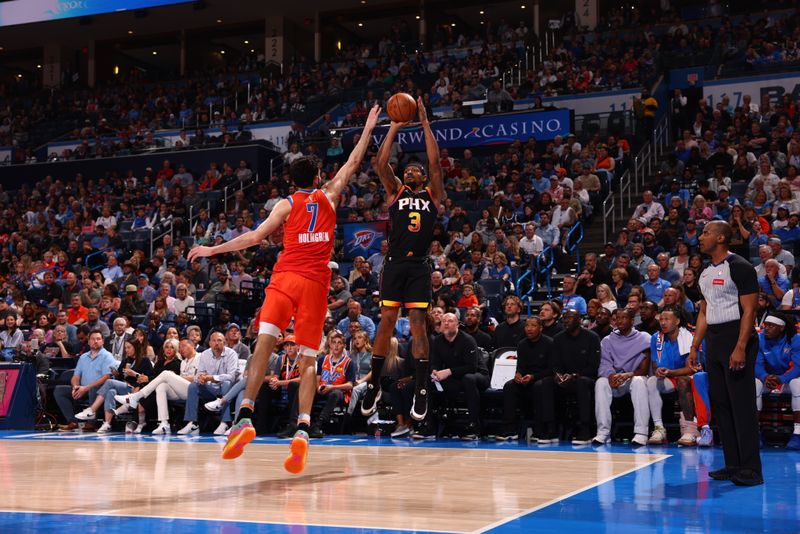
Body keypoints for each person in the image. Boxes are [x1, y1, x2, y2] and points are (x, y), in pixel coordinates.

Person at [187, 106, 380, 472]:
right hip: (316, 284)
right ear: (320, 176)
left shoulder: (286, 204)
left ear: (292, 180)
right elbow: (353, 162)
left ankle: (245, 415)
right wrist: (369, 126)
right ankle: (303, 429)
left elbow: (254, 237)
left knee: (264, 342)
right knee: (308, 359)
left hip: (286, 277)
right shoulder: (330, 195)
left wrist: (212, 249)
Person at [361, 98, 445, 426]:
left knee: (418, 322)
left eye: (416, 170)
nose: (412, 170)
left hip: (419, 265)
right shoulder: (396, 190)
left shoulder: (432, 195)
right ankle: (374, 382)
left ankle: (422, 388)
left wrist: (424, 123)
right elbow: (381, 164)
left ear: (423, 177)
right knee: (385, 320)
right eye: (408, 169)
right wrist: (394, 126)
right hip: (394, 263)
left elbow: (436, 163)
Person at [690, 220, 762, 486]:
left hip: (736, 336)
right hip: (715, 340)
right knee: (721, 404)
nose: (700, 237)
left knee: (742, 405)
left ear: (721, 238)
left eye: (706, 233)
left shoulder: (741, 267)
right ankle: (732, 464)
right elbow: (704, 312)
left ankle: (752, 469)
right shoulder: (705, 273)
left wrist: (741, 347)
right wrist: (696, 346)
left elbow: (750, 311)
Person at [594, 308, 651, 446]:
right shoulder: (607, 340)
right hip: (616, 380)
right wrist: (611, 376)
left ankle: (641, 433)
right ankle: (603, 432)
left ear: (632, 321)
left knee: (638, 382)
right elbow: (604, 363)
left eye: (623, 318)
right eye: (616, 318)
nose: (619, 321)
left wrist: (628, 375)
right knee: (601, 382)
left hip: (634, 377)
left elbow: (644, 369)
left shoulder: (644, 338)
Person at [429, 313, 489, 440]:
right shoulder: (438, 341)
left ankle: (474, 425)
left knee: (468, 378)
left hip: (478, 376)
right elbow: (435, 362)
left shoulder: (467, 340)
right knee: (428, 382)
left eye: (450, 321)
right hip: (457, 377)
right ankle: (429, 426)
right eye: (443, 321)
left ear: (457, 324)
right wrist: (434, 371)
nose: (446, 323)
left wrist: (448, 371)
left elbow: (471, 367)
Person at [646, 307, 699, 446]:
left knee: (682, 381)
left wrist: (671, 372)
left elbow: (691, 369)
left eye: (667, 319)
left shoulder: (689, 337)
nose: (663, 323)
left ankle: (689, 429)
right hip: (670, 377)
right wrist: (658, 371)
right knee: (651, 380)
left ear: (677, 321)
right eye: (661, 319)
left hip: (690, 377)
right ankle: (659, 428)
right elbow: (655, 365)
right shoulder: (656, 338)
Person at [498, 317, 555, 441]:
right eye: (527, 326)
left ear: (541, 328)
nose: (529, 329)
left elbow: (552, 369)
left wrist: (533, 377)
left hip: (545, 378)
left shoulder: (550, 343)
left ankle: (541, 430)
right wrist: (518, 374)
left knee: (539, 385)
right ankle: (510, 429)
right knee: (509, 386)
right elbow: (521, 367)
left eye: (533, 326)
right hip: (527, 379)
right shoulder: (522, 344)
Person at [548, 309, 600, 444]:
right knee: (543, 384)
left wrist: (574, 375)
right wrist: (558, 374)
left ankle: (585, 429)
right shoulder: (558, 338)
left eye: (570, 317)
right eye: (564, 318)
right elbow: (554, 363)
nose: (566, 320)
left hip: (584, 377)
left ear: (579, 320)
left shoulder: (592, 337)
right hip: (564, 379)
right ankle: (549, 429)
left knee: (582, 383)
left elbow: (594, 366)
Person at [54, 330, 118, 431]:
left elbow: (106, 377)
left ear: (102, 341)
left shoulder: (107, 356)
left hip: (99, 390)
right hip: (83, 389)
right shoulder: (83, 357)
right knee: (59, 390)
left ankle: (91, 423)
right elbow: (76, 376)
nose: (95, 341)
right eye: (93, 339)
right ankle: (73, 421)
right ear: (88, 342)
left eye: (98, 339)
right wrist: (75, 386)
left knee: (93, 389)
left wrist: (86, 387)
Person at [754, 314, 800, 450]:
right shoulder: (760, 338)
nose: (765, 328)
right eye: (765, 325)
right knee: (754, 385)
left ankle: (798, 433)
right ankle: (754, 432)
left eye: (770, 326)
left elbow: (798, 367)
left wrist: (781, 379)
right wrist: (764, 377)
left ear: (781, 328)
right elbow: (756, 364)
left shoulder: (795, 339)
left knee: (798, 385)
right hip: (768, 380)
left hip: (787, 380)